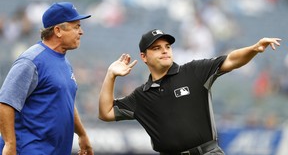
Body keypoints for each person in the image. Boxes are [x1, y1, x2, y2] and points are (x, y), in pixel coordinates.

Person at [98, 29, 281, 155]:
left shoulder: (193, 71)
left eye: (167, 47)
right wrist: (111, 75)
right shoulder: (140, 96)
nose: (164, 51)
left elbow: (231, 60)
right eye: (156, 48)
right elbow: (105, 113)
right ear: (143, 57)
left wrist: (253, 49)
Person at [0, 2, 94, 155]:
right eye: (76, 26)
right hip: (29, 149)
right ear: (58, 30)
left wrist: (82, 134)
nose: (81, 32)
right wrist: (10, 145)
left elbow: (66, 101)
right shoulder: (31, 61)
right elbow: (5, 103)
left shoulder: (64, 62)